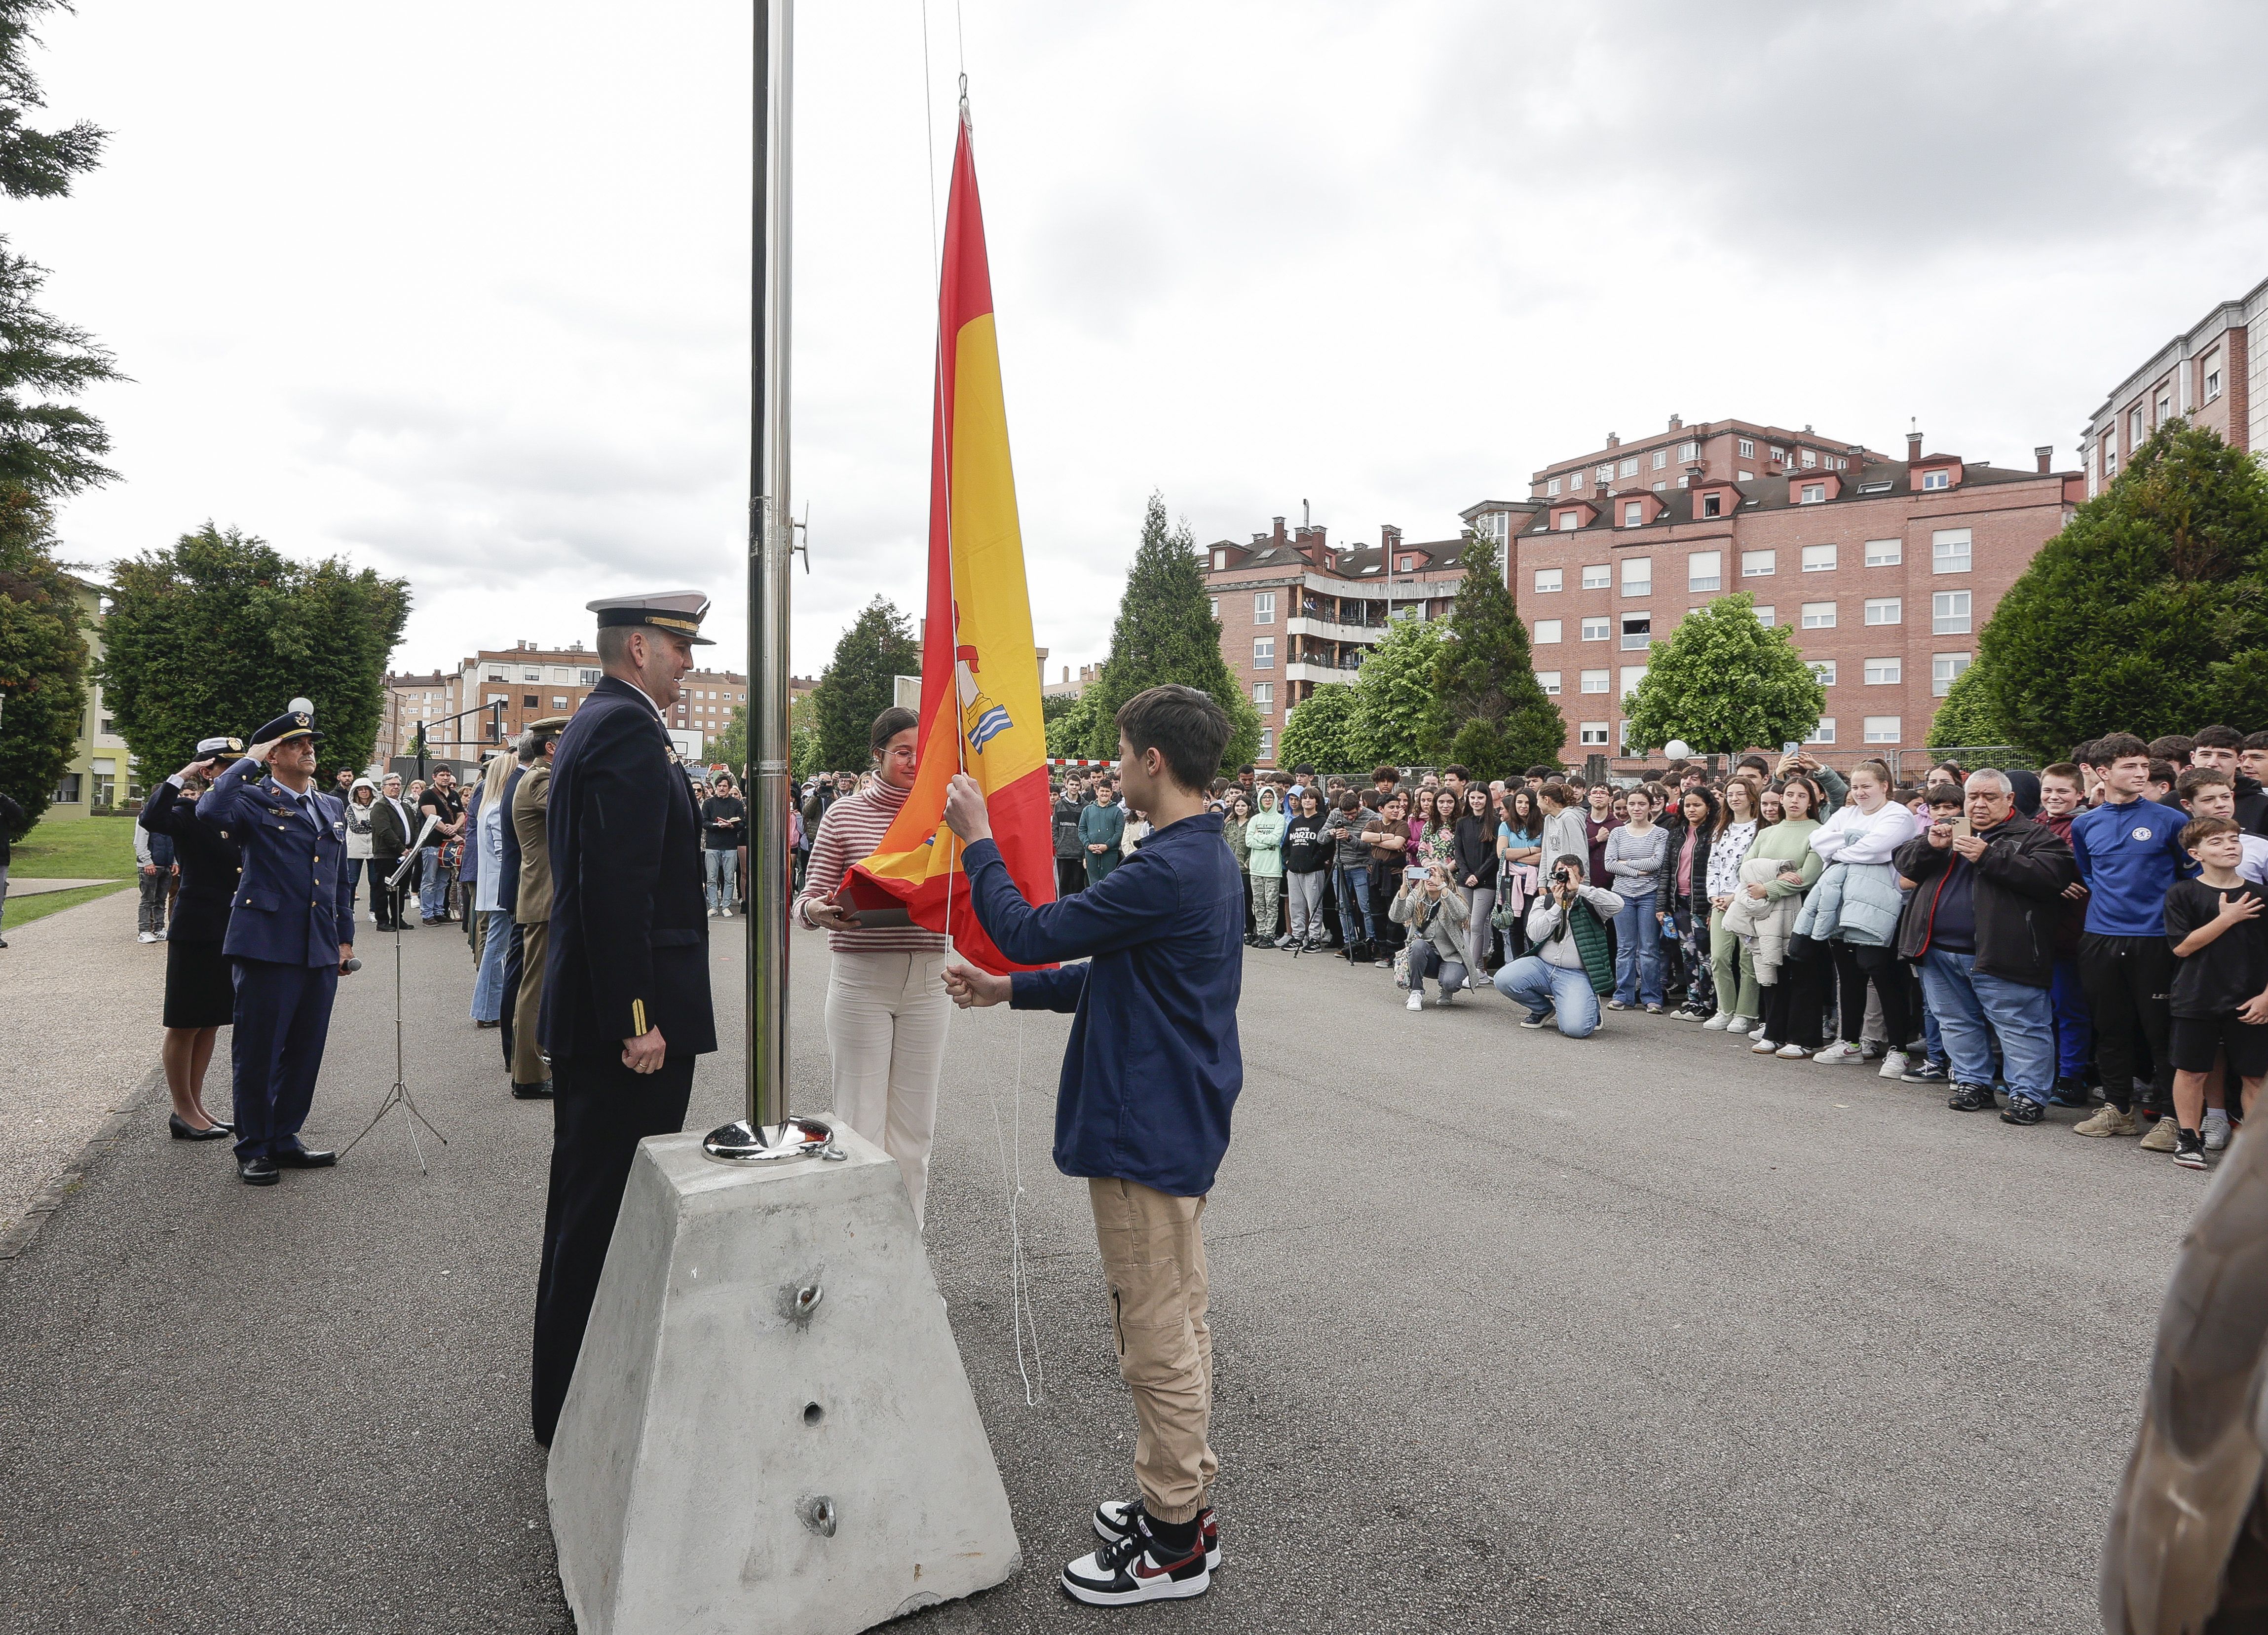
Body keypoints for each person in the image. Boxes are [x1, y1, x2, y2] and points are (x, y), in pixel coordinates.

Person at [938, 683, 1240, 1606]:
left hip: (1145, 1126)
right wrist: (1007, 992)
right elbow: (1116, 971)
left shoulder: (1165, 868)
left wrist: (978, 836)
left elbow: (1031, 928)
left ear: (1153, 760)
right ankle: (1173, 1495)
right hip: (1177, 1117)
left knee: (1154, 1332)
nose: (1113, 766)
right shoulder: (1199, 857)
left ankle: (1176, 1538)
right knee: (1177, 1315)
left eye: (1120, 750)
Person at [533, 591, 718, 1448]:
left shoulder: (607, 720)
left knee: (595, 1206)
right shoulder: (623, 729)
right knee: (602, 1213)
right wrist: (639, 1018)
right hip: (627, 1030)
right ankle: (577, 1409)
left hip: (618, 1016)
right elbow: (616, 891)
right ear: (639, 647)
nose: (690, 661)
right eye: (680, 647)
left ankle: (574, 1399)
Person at [794, 706, 952, 1227]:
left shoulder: (947, 814)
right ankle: (854, 1243)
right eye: (902, 751)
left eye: (920, 752)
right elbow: (807, 899)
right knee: (860, 1124)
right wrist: (816, 910)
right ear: (878, 753)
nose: (913, 761)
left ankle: (905, 1252)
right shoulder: (843, 814)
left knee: (915, 1132)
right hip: (862, 978)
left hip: (929, 977)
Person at [197, 708, 355, 1186]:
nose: (309, 749)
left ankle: (285, 1136)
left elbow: (339, 880)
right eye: (295, 743)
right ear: (273, 755)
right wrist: (248, 759)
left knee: (306, 1049)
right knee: (260, 1050)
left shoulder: (330, 806)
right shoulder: (250, 798)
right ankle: (254, 1146)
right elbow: (208, 811)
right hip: (266, 942)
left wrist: (345, 938)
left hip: (319, 946)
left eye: (311, 742)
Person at [1893, 770, 2079, 1122]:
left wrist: (1988, 856)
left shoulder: (2034, 835)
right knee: (1956, 1022)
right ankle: (1972, 1083)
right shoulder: (1950, 828)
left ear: (2010, 800)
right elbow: (1904, 866)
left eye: (1990, 797)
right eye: (1973, 797)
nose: (1979, 804)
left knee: (2020, 1025)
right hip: (1938, 950)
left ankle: (2028, 1095)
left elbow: (2052, 878)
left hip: (2004, 952)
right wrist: (1930, 845)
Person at [2070, 733, 2191, 1147]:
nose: (2142, 773)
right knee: (2110, 1029)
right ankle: (2119, 1110)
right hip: (2101, 938)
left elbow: (2188, 879)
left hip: (2156, 940)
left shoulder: (2170, 820)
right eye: (2130, 766)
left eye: (2144, 765)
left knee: (2161, 1033)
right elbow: (2089, 874)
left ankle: (2174, 1118)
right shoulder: (2085, 824)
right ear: (2103, 774)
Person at [139, 738, 245, 1138]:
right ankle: (183, 1111)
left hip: (228, 928)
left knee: (211, 1022)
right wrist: (183, 773)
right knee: (185, 1023)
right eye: (224, 767)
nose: (235, 775)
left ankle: (198, 1106)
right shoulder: (187, 810)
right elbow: (152, 817)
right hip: (197, 928)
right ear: (208, 770)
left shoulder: (236, 811)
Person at [2162, 815, 2268, 1170]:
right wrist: (2228, 918)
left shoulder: (2262, 894)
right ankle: (2189, 1138)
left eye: (2233, 840)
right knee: (2192, 1071)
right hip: (2197, 995)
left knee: (2255, 1075)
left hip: (2252, 998)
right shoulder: (2183, 894)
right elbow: (2182, 948)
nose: (2229, 846)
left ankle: (2251, 1149)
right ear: (2196, 853)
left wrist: (2267, 996)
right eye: (2218, 842)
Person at [1803, 759, 1920, 1072]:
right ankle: (1850, 1043)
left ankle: (1898, 1049)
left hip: (1879, 905)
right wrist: (1851, 845)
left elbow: (1878, 850)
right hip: (1842, 901)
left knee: (1882, 972)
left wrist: (1839, 849)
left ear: (1884, 786)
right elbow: (1817, 841)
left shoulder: (1898, 815)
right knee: (1848, 974)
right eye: (1855, 787)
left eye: (1866, 786)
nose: (1860, 792)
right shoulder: (1847, 812)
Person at [1496, 854, 1622, 1038]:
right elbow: (1534, 934)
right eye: (1560, 875)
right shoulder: (1544, 901)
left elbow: (1619, 904)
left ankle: (1589, 1004)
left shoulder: (1591, 902)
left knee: (1576, 1030)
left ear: (1581, 878)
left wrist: (1580, 889)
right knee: (1504, 979)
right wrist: (1557, 907)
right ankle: (1543, 1009)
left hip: (1576, 974)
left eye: (1570, 875)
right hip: (1543, 967)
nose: (1564, 880)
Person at [1745, 775, 1826, 1057]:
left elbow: (1808, 875)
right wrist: (1775, 877)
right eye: (1790, 795)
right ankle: (1774, 1031)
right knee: (1772, 970)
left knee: (1802, 973)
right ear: (1781, 798)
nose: (1794, 800)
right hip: (1768, 913)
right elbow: (1747, 869)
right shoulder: (1767, 832)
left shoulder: (1818, 832)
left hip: (1802, 910)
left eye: (1802, 796)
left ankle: (1804, 1037)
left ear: (1811, 801)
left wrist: (1767, 887)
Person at [508, 718, 566, 1099]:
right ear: (550, 747)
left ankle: (538, 1064)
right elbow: (573, 808)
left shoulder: (541, 776)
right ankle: (528, 1075)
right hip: (544, 896)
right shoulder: (540, 780)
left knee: (543, 985)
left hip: (546, 895)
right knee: (536, 987)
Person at [2034, 763, 2096, 1104]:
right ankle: (2044, 1073)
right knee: (2041, 1010)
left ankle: (2071, 1077)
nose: (2054, 797)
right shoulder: (2034, 824)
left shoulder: (2083, 826)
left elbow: (2079, 870)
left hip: (2071, 933)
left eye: (2063, 791)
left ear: (2079, 794)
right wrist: (2052, 883)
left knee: (2069, 1008)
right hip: (2037, 934)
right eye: (2048, 790)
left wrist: (2056, 880)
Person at [1702, 775, 1765, 1035]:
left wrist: (1735, 896)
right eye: (1730, 795)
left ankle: (1746, 1013)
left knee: (1747, 960)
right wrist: (1713, 895)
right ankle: (1725, 1009)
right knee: (1718, 957)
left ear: (1751, 797)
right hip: (1721, 900)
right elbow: (1714, 864)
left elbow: (1756, 869)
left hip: (1745, 899)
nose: (1735, 798)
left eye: (1740, 793)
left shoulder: (1760, 830)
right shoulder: (1721, 829)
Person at [1604, 782, 1666, 1012]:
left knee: (1649, 948)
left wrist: (1626, 865)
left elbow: (1657, 863)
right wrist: (1639, 870)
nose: (1636, 808)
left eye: (1642, 804)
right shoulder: (1618, 833)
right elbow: (1609, 864)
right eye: (1632, 804)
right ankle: (1623, 995)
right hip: (1622, 896)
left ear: (1650, 807)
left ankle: (1652, 997)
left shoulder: (1661, 834)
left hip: (1649, 895)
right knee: (1625, 947)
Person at [1662, 785, 1718, 1021]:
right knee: (1688, 953)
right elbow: (1666, 870)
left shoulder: (1715, 832)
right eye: (1688, 805)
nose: (1692, 810)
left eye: (1697, 805)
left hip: (1703, 904)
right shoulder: (1677, 833)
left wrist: (1712, 906)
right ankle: (1693, 1000)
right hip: (1680, 903)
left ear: (1708, 807)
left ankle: (1709, 1003)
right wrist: (1662, 905)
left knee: (1706, 955)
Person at [1391, 857, 1472, 1010]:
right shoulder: (1417, 896)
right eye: (1427, 874)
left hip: (1451, 957)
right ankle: (1416, 992)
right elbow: (1397, 917)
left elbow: (1462, 915)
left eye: (1434, 875)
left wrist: (1442, 888)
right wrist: (1403, 887)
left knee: (1451, 982)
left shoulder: (1452, 896)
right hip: (1425, 956)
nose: (1429, 879)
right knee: (1418, 944)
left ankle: (1447, 990)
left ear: (1445, 879)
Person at [470, 750, 514, 1029]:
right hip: (501, 889)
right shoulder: (497, 807)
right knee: (496, 950)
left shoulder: (489, 805)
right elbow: (503, 852)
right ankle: (487, 1009)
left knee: (495, 949)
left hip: (493, 888)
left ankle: (489, 1008)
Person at [1452, 783, 1499, 977]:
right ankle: (1472, 966)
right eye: (1472, 798)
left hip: (1486, 881)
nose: (1476, 801)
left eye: (1480, 798)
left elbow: (1495, 855)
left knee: (1477, 924)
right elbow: (1459, 852)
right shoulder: (1462, 823)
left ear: (1487, 799)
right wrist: (1466, 874)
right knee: (1466, 925)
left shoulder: (1496, 823)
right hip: (1465, 880)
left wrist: (1478, 876)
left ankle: (1473, 970)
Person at [1278, 789, 1332, 951]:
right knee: (1296, 904)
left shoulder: (1322, 821)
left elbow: (1327, 847)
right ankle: (1298, 935)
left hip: (1313, 871)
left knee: (1314, 905)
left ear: (1317, 801)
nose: (1307, 801)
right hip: (1293, 871)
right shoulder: (1295, 822)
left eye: (1311, 798)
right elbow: (1286, 845)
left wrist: (1315, 862)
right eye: (1305, 798)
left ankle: (1315, 938)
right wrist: (1288, 860)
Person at [416, 766, 465, 924]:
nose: (446, 778)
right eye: (442, 775)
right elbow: (432, 818)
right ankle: (427, 913)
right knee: (430, 879)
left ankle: (439, 911)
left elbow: (461, 816)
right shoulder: (427, 795)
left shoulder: (454, 795)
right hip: (432, 843)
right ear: (434, 777)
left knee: (443, 880)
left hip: (449, 845)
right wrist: (453, 833)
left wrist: (456, 828)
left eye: (448, 775)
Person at [368, 772, 416, 930]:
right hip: (386, 855)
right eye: (391, 785)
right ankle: (382, 921)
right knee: (383, 889)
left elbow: (414, 827)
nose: (396, 787)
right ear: (383, 789)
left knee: (401, 890)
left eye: (398, 784)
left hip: (406, 855)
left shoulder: (405, 806)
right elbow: (384, 831)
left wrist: (412, 847)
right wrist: (401, 849)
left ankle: (397, 919)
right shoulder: (380, 807)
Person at [700, 773, 746, 917]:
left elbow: (742, 823)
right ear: (716, 787)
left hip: (730, 845)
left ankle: (726, 905)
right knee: (711, 878)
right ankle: (713, 906)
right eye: (719, 786)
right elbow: (704, 823)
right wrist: (717, 825)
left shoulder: (737, 804)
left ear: (729, 788)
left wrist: (732, 826)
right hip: (712, 845)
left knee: (729, 878)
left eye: (724, 786)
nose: (722, 788)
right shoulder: (709, 803)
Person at [1245, 783, 1284, 947]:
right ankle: (1260, 932)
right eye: (1264, 797)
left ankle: (1270, 934)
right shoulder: (1255, 819)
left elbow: (1276, 840)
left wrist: (1258, 837)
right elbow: (1248, 841)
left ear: (1274, 800)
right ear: (1260, 800)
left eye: (1270, 797)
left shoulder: (1279, 818)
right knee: (1258, 903)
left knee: (1271, 903)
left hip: (1272, 869)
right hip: (1256, 868)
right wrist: (1265, 842)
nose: (1267, 800)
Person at [133, 816, 174, 943]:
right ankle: (144, 930)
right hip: (150, 865)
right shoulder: (145, 818)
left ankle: (159, 928)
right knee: (148, 900)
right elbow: (139, 843)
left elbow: (174, 841)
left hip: (166, 865)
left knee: (161, 900)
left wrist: (175, 861)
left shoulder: (170, 818)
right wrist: (147, 861)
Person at [1080, 777, 1126, 887]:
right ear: (1097, 792)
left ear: (1111, 793)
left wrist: (1107, 846)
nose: (1104, 794)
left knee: (1108, 883)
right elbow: (1082, 830)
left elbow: (1119, 833)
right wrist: (1088, 845)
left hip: (1110, 853)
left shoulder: (1117, 812)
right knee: (1093, 884)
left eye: (1107, 791)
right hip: (1091, 853)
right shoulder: (1088, 810)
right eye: (1102, 791)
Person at [1053, 778, 1089, 899]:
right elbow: (1055, 827)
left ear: (1080, 787)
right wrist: (1058, 843)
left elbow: (1088, 829)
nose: (1074, 787)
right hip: (1063, 853)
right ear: (1066, 785)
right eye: (1072, 784)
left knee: (1078, 886)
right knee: (1063, 886)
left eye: (1077, 785)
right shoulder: (1059, 805)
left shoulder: (1086, 806)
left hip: (1079, 853)